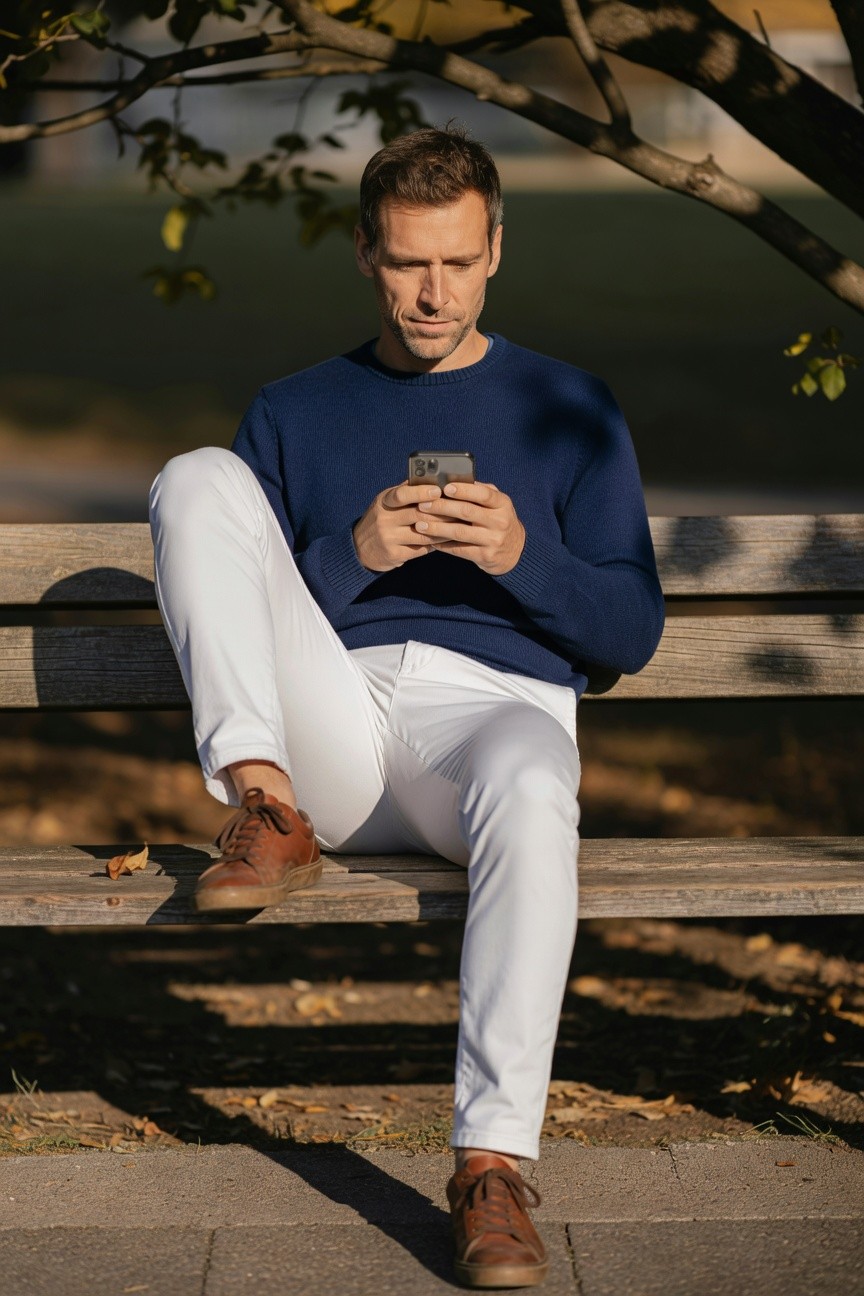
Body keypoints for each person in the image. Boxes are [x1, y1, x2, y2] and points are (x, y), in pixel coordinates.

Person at [148, 124, 664, 1290]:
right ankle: (263, 806)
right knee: (194, 478)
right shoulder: (294, 409)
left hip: (487, 723)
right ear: (365, 255)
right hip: (327, 729)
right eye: (403, 263)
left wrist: (525, 556)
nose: (431, 294)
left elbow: (628, 634)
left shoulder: (570, 407)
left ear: (495, 253)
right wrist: (355, 554)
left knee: (538, 782)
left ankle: (491, 1168)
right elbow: (241, 598)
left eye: (455, 263)